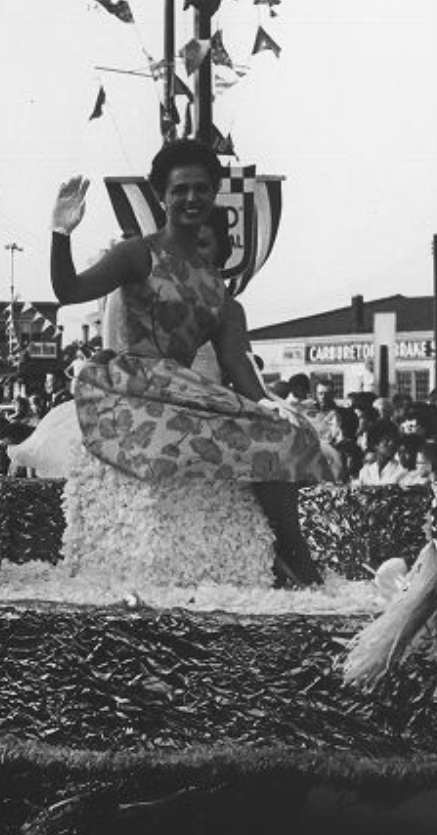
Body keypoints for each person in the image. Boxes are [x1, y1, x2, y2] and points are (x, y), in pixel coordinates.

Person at [49, 140, 333, 585]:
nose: (192, 198)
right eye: (180, 189)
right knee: (169, 441)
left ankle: (290, 551)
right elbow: (69, 291)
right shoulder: (136, 254)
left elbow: (239, 368)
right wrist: (60, 234)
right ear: (162, 195)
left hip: (183, 389)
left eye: (202, 188)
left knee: (282, 438)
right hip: (132, 387)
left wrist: (273, 408)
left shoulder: (217, 289)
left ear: (214, 193)